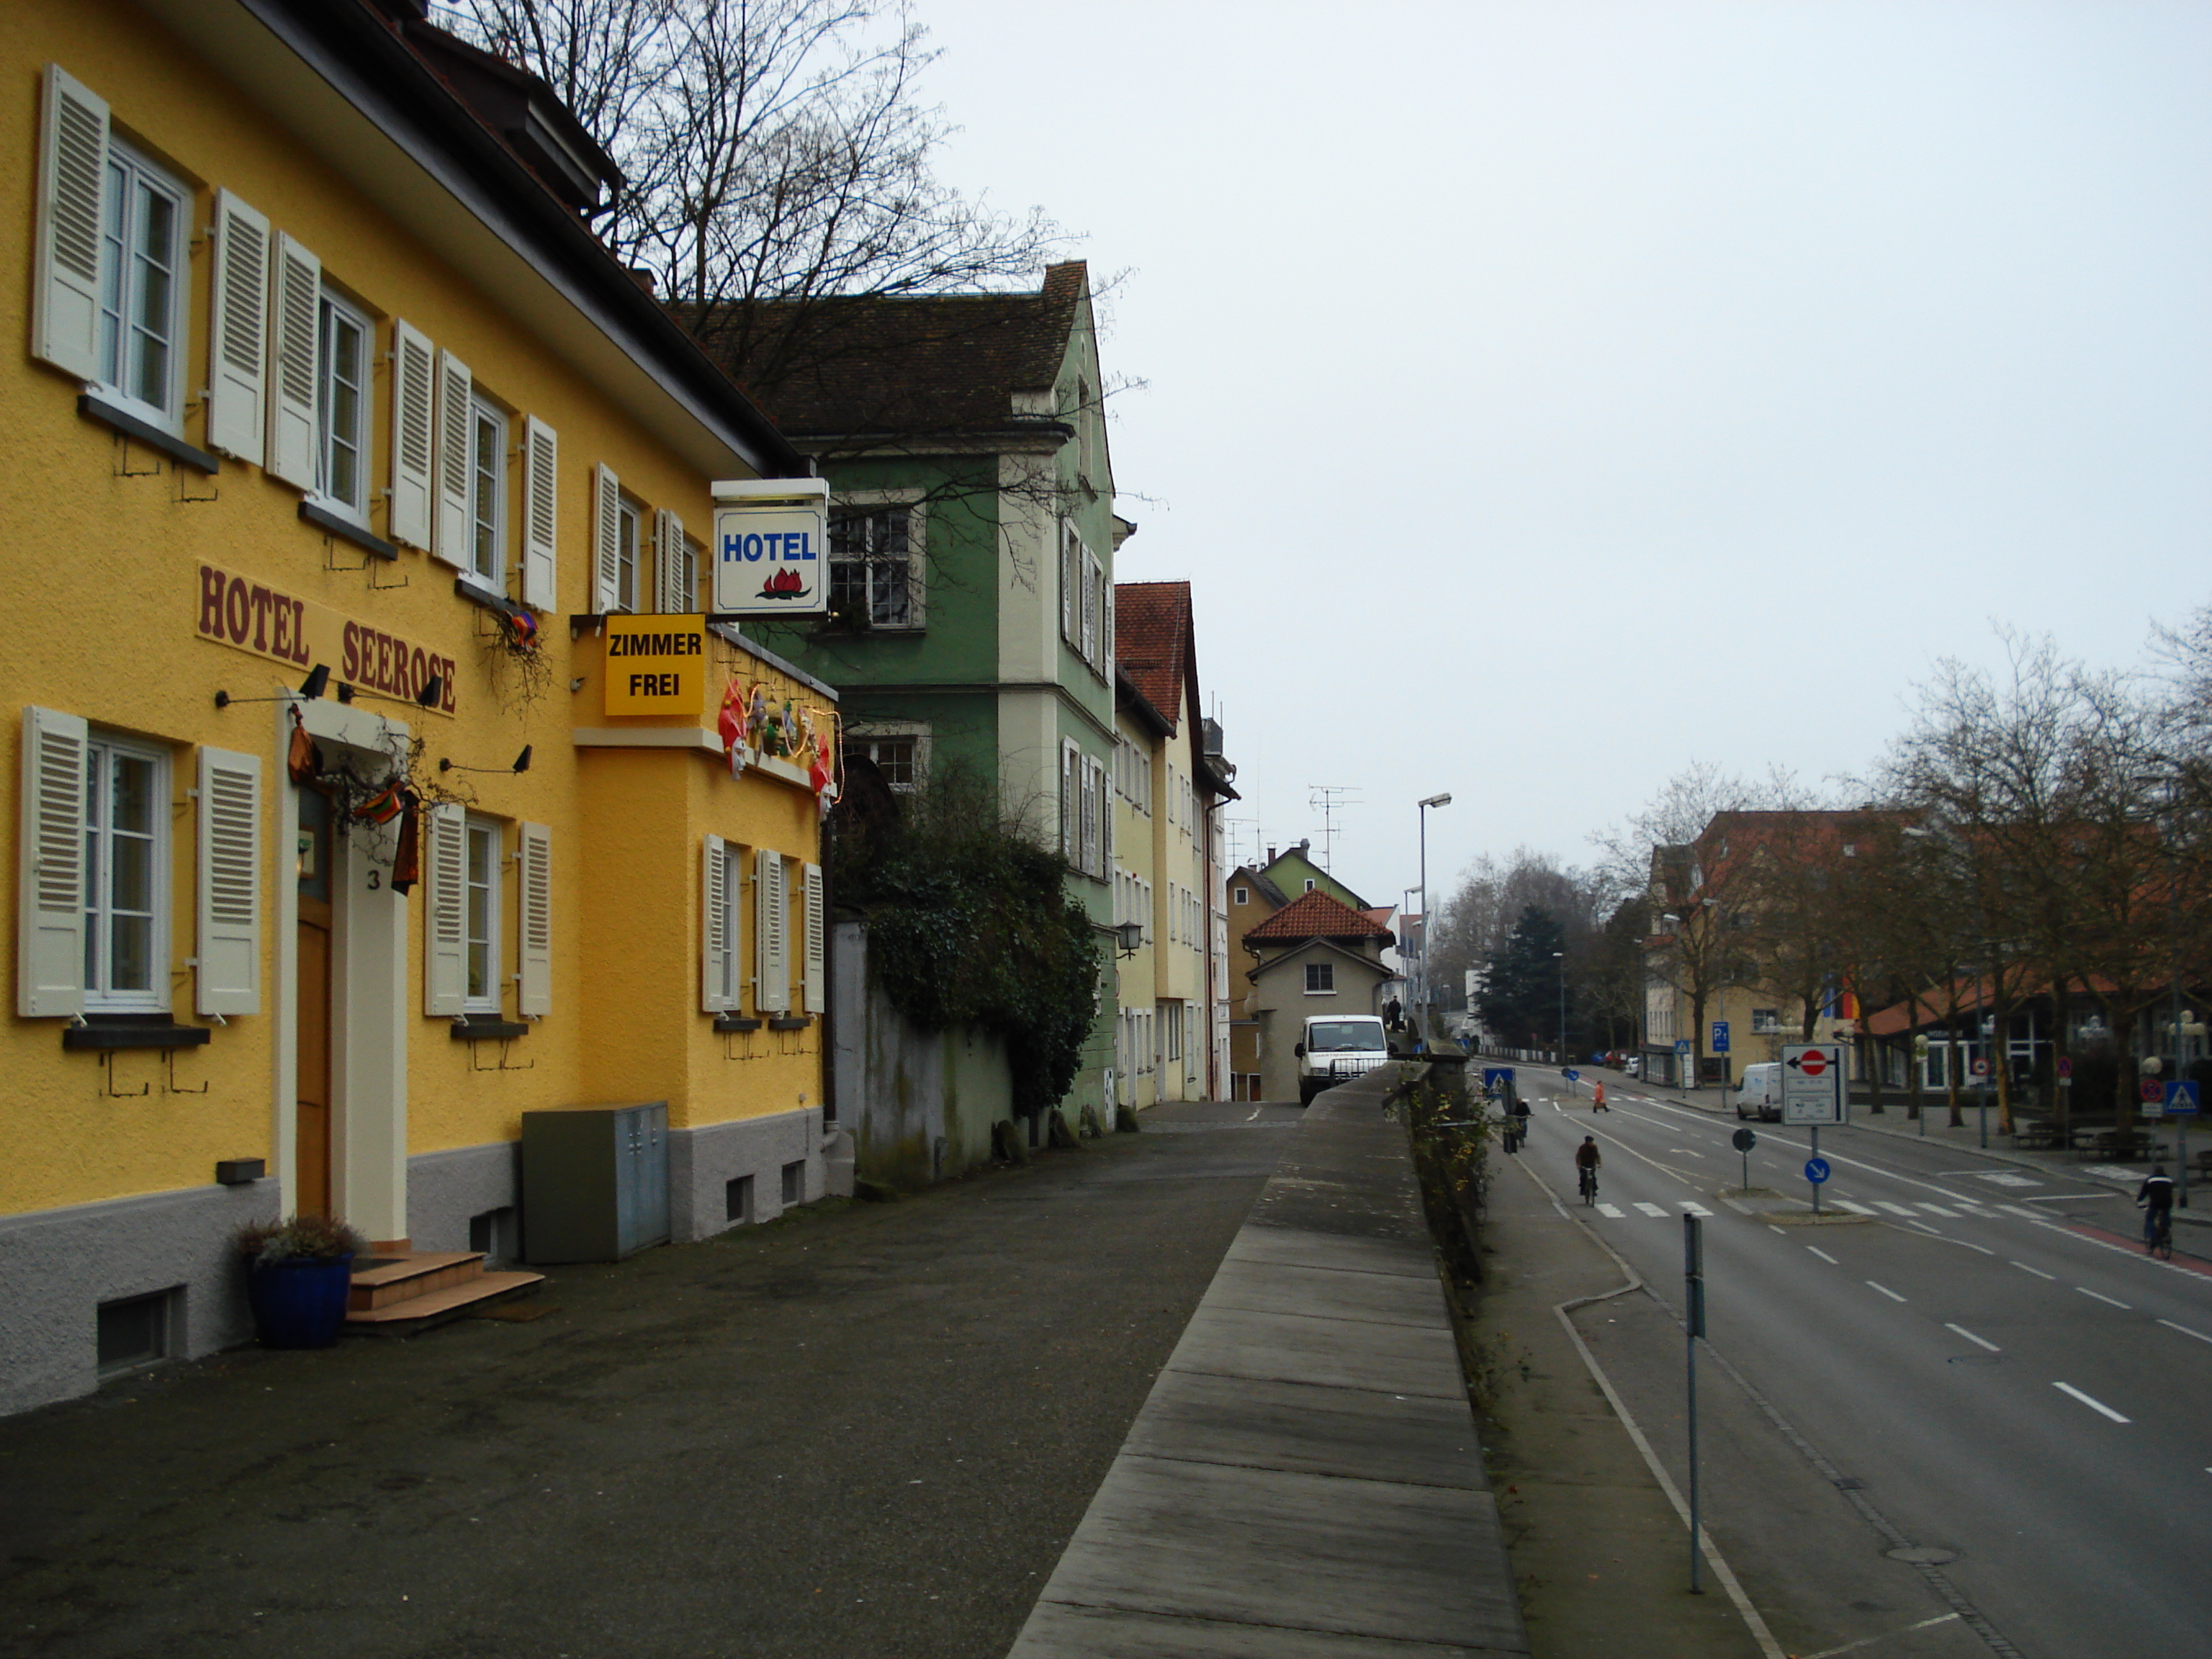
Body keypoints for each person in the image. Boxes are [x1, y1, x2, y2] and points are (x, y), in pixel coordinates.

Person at [2139, 1164, 2176, 1253]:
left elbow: (2144, 1193)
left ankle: (2153, 1236)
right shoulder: (2169, 1180)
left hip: (2155, 1203)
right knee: (2165, 1214)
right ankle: (2165, 1229)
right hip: (2167, 1203)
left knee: (2150, 1219)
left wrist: (2139, 1201)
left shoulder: (2150, 1180)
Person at [1575, 1134, 1601, 1200]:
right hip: (1584, 1166)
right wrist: (1579, 1165)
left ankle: (1594, 1190)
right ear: (1587, 1142)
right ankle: (1583, 1190)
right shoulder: (1582, 1148)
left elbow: (1597, 1156)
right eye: (1590, 1142)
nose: (1591, 1143)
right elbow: (1579, 1157)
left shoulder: (1595, 1147)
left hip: (1592, 1165)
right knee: (1583, 1178)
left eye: (1592, 1142)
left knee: (1593, 1178)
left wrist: (1599, 1163)